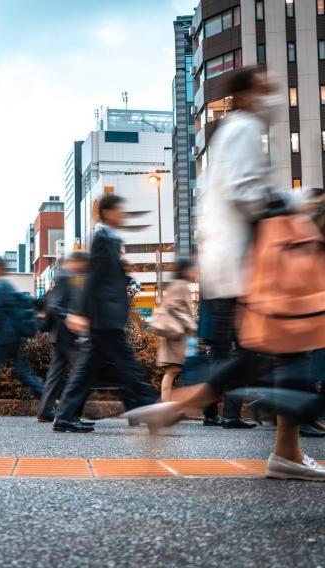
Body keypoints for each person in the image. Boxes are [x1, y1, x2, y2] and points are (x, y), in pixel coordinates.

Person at [127, 66, 325, 481]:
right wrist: (292, 204)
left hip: (237, 264)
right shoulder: (242, 129)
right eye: (267, 90)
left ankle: (179, 410)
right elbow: (245, 192)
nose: (272, 98)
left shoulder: (234, 132)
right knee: (290, 348)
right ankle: (282, 449)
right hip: (250, 265)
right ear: (248, 94)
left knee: (267, 353)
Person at [53, 194, 158, 433]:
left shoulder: (108, 238)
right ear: (109, 212)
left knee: (87, 369)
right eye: (119, 210)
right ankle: (152, 411)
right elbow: (93, 278)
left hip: (104, 315)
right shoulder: (102, 238)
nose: (122, 215)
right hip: (104, 315)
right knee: (127, 365)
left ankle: (65, 416)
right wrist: (79, 312)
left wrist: (123, 270)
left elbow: (104, 275)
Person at [0, 256, 44, 417]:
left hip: (5, 337)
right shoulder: (7, 285)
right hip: (13, 336)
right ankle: (47, 399)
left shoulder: (2, 286)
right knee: (21, 371)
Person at [37, 251, 94, 423]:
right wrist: (70, 318)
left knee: (56, 375)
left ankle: (46, 411)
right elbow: (55, 305)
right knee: (82, 373)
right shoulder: (66, 277)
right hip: (67, 335)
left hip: (60, 335)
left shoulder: (68, 276)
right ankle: (70, 414)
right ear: (77, 262)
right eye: (84, 264)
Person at [198, 298, 256, 429]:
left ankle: (211, 414)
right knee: (236, 364)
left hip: (214, 320)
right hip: (226, 319)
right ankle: (230, 416)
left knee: (217, 365)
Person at [156, 259, 197, 402]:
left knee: (173, 371)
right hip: (178, 337)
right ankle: (166, 405)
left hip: (175, 335)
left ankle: (166, 404)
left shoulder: (176, 285)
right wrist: (191, 323)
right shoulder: (181, 285)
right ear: (185, 270)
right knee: (173, 371)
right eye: (192, 269)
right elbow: (174, 307)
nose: (194, 272)